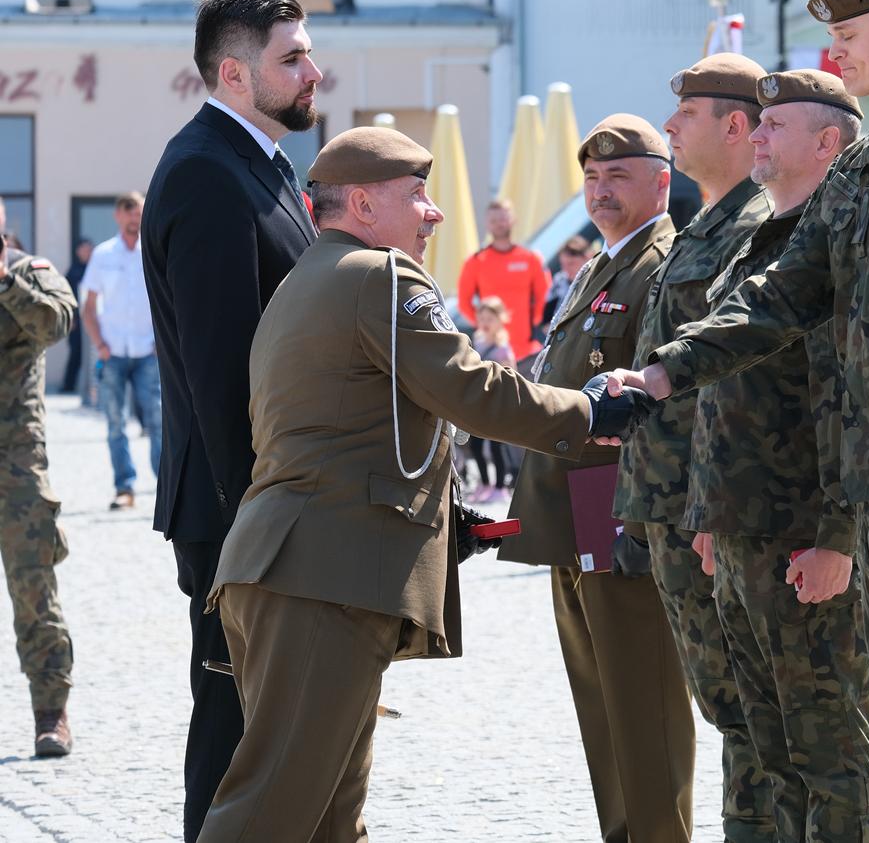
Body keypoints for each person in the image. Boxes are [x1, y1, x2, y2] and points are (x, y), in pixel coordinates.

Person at [195, 126, 651, 841]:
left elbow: (341, 431)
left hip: (288, 566)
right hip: (326, 576)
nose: (433, 212)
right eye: (416, 194)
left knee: (329, 817)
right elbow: (470, 388)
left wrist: (442, 511)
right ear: (364, 205)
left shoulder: (303, 282)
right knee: (270, 814)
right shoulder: (380, 275)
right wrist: (589, 412)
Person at [619, 0, 869, 841]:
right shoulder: (862, 173)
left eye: (847, 34)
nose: (835, 51)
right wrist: (665, 370)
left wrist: (833, 530)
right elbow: (781, 297)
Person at [141, 0, 321, 841]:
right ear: (234, 73)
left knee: (271, 727)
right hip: (238, 510)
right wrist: (261, 518)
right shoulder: (208, 173)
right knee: (231, 730)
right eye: (293, 57)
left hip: (270, 499)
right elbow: (222, 374)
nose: (313, 71)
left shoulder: (261, 160)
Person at [684, 69, 869, 841]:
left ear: (828, 142)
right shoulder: (765, 237)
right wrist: (712, 509)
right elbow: (731, 391)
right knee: (771, 749)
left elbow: (848, 393)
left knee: (828, 747)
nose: (756, 135)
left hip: (802, 531)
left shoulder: (831, 246)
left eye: (774, 126)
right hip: (744, 525)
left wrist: (839, 535)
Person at [498, 115, 695, 843]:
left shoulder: (662, 265)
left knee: (642, 698)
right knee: (601, 698)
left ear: (661, 183)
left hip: (619, 506)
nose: (601, 190)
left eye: (618, 176)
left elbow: (663, 401)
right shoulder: (599, 265)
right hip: (574, 506)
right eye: (592, 177)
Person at [615, 53, 777, 841]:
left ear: (736, 125)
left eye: (686, 115)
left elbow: (745, 380)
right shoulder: (706, 224)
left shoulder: (757, 227)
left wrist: (716, 502)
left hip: (711, 503)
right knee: (728, 706)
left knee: (756, 712)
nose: (670, 127)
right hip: (673, 501)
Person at [0, 195, 78, 756]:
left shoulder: (30, 273)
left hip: (16, 462)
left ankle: (51, 713)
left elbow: (56, 322)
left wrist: (5, 283)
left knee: (33, 588)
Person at [81, 192, 164, 510]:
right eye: (129, 211)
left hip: (147, 352)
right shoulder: (103, 255)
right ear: (118, 215)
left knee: (158, 421)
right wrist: (100, 345)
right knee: (116, 424)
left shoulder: (153, 251)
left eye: (139, 211)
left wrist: (161, 343)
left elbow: (166, 299)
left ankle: (165, 488)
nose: (135, 218)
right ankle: (124, 487)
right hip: (112, 353)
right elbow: (88, 308)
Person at [457, 198, 552, 363]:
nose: (499, 224)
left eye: (503, 219)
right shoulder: (476, 261)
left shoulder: (530, 258)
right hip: (491, 352)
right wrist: (484, 324)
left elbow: (545, 295)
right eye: (493, 220)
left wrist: (533, 323)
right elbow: (464, 302)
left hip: (527, 351)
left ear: (513, 220)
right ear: (487, 224)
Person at [465, 295, 518, 497]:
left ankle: (499, 488)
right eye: (482, 318)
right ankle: (485, 483)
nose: (485, 323)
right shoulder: (476, 342)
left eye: (490, 319)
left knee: (497, 447)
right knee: (476, 446)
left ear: (500, 319)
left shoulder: (503, 349)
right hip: (479, 403)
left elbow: (511, 379)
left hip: (496, 405)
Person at [60, 238, 92, 394]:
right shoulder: (72, 272)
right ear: (78, 251)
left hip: (93, 318)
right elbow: (66, 297)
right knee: (76, 353)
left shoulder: (95, 268)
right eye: (84, 249)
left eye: (89, 249)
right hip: (77, 321)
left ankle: (91, 388)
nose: (87, 252)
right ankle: (68, 385)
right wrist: (70, 317)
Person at [545, 234, 595, 325]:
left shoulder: (597, 280)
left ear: (587, 257)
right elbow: (545, 318)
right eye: (563, 265)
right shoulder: (559, 282)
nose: (566, 269)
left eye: (571, 264)